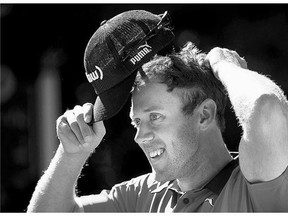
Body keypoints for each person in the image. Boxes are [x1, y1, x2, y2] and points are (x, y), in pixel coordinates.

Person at [27, 12, 288, 212]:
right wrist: (71, 153)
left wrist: (225, 66)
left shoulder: (255, 184)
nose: (139, 136)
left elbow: (266, 110)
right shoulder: (144, 195)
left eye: (155, 117)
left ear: (204, 115)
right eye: (136, 122)